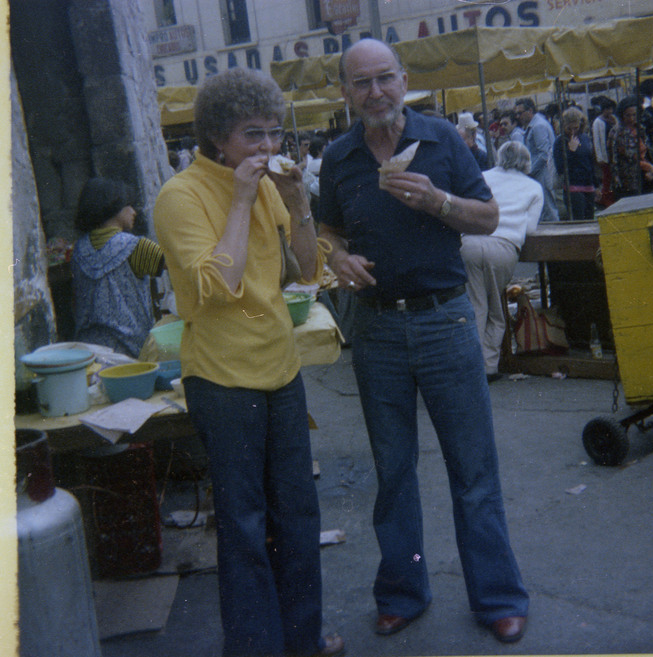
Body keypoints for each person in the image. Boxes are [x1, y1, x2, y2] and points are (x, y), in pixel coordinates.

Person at [318, 38, 529, 644]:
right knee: (393, 470)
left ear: (403, 79)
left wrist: (437, 200)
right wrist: (337, 258)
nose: (376, 92)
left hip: (445, 321)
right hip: (377, 326)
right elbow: (328, 228)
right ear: (345, 92)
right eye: (362, 83)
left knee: (474, 469)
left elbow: (488, 217)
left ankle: (497, 597)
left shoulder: (441, 139)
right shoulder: (338, 157)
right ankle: (403, 593)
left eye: (386, 78)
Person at [153, 67, 344, 657]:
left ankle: (303, 638)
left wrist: (299, 205)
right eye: (250, 134)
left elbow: (309, 272)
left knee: (298, 513)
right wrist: (240, 196)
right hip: (221, 379)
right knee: (241, 526)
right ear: (217, 136)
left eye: (271, 133)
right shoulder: (179, 196)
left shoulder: (270, 184)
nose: (266, 147)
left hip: (279, 371)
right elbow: (220, 283)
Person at [461, 141, 543, 380]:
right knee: (496, 309)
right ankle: (487, 367)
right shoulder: (534, 187)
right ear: (526, 162)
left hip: (469, 244)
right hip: (503, 249)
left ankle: (469, 365)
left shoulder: (482, 176)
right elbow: (529, 229)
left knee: (474, 305)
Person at [71, 177, 164, 358]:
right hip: (132, 351)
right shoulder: (137, 246)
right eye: (128, 205)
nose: (133, 211)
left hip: (90, 351)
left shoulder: (78, 250)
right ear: (112, 208)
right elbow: (182, 264)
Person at [514, 97, 558, 221]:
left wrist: (529, 171)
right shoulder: (536, 124)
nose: (517, 116)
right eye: (516, 113)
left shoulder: (538, 126)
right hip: (540, 173)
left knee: (548, 209)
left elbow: (544, 154)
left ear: (530, 111)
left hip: (542, 173)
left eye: (520, 113)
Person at [607, 96, 653, 198]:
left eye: (634, 115)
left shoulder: (639, 128)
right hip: (627, 181)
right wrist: (651, 168)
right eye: (628, 115)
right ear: (621, 115)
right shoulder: (618, 132)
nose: (631, 119)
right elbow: (631, 156)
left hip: (643, 176)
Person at [553, 107, 596, 221]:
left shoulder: (584, 137)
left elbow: (590, 161)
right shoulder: (559, 142)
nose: (572, 132)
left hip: (588, 185)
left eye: (575, 128)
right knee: (579, 220)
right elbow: (560, 168)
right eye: (569, 129)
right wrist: (571, 151)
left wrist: (596, 185)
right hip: (573, 187)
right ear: (563, 126)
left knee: (590, 220)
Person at [591, 96, 617, 207]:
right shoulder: (597, 122)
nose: (610, 112)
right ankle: (605, 198)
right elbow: (596, 140)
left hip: (613, 153)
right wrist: (600, 157)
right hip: (604, 155)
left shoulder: (613, 119)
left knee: (612, 176)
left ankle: (609, 196)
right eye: (607, 109)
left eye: (611, 109)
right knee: (607, 177)